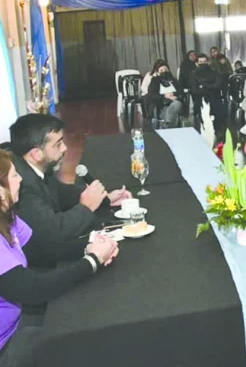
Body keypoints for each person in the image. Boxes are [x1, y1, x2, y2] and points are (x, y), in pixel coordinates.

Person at [0, 149, 119, 367]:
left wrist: (90, 246)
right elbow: (32, 289)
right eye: (15, 176)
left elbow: (41, 251)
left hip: (17, 325)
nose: (21, 181)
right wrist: (92, 261)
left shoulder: (9, 217)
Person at [9, 114, 131, 268]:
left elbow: (62, 193)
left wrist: (104, 198)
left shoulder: (36, 169)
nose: (65, 148)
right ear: (36, 154)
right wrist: (86, 207)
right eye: (58, 144)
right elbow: (53, 232)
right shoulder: (23, 186)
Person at [188, 53, 227, 133]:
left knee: (221, 112)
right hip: (200, 99)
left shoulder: (215, 72)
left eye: (205, 61)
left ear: (208, 62)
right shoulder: (193, 74)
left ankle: (219, 135)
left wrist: (203, 85)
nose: (203, 64)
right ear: (197, 64)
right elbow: (195, 90)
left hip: (215, 98)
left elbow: (218, 86)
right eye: (200, 62)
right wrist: (210, 88)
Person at [147, 61, 184, 128]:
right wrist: (165, 96)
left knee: (176, 104)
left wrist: (173, 94)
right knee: (171, 109)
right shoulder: (154, 82)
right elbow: (151, 96)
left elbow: (181, 92)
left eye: (166, 70)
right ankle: (169, 127)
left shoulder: (174, 81)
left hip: (176, 105)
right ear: (157, 73)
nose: (164, 71)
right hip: (161, 106)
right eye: (161, 70)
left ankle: (167, 126)